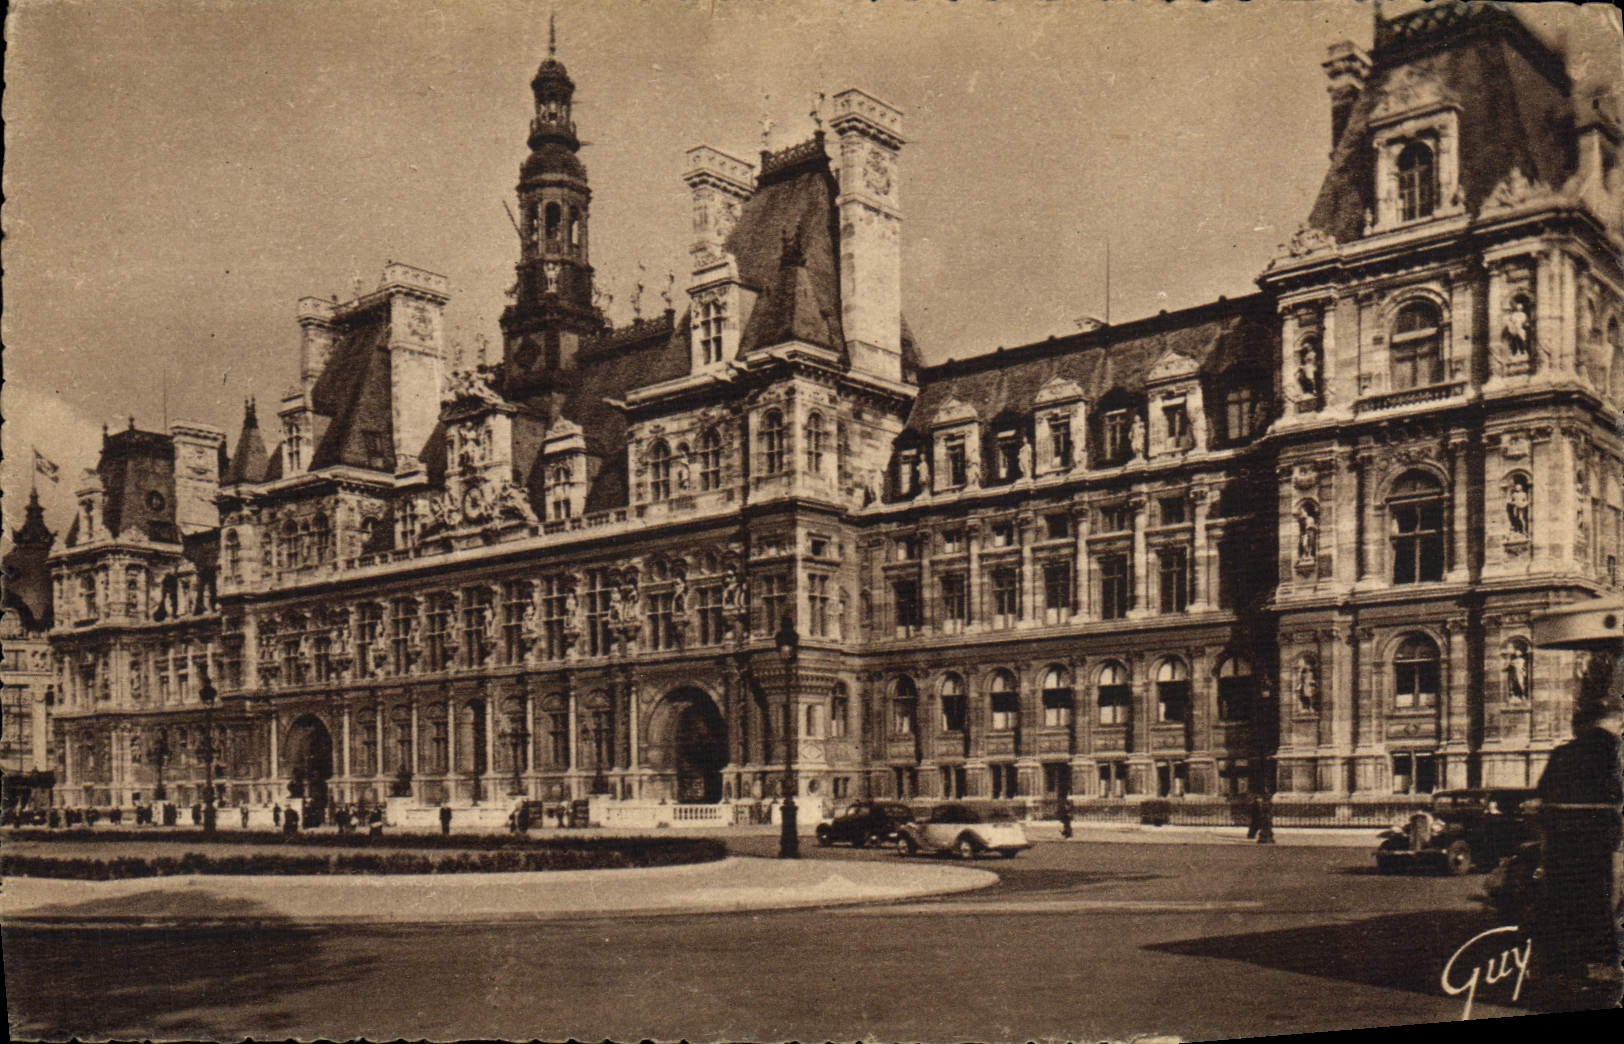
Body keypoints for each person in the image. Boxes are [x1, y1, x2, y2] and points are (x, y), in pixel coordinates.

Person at [1529, 691, 1624, 985]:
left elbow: (1541, 797)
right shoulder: (1617, 751)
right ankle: (1601, 963)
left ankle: (1557, 964)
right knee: (1602, 899)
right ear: (1616, 721)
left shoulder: (1562, 753)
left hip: (1562, 841)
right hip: (1604, 840)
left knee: (1563, 900)